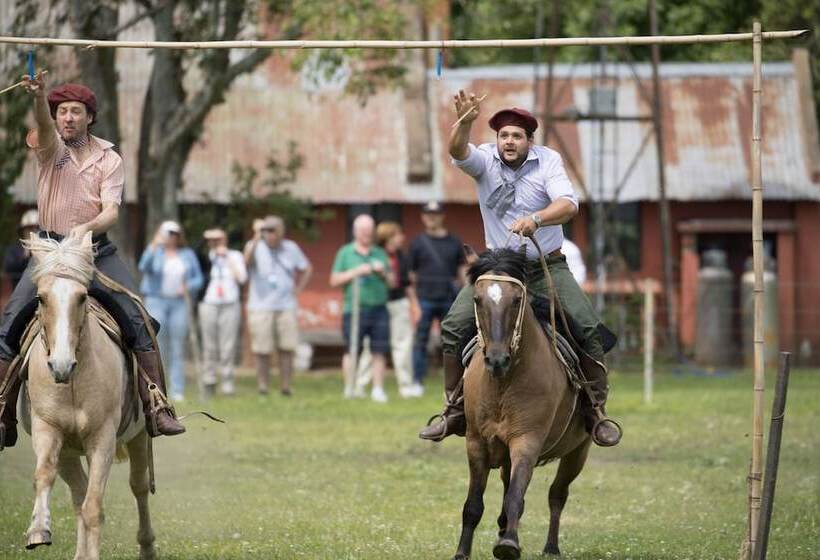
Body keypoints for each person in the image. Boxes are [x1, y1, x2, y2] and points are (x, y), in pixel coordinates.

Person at [418, 91, 621, 447]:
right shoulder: (484, 159)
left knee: (587, 325)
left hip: (546, 267)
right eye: (503, 135)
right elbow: (456, 151)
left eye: (516, 136)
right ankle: (453, 410)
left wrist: (537, 218)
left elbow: (568, 204)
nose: (509, 142)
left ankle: (595, 411)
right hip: (499, 270)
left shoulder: (548, 162)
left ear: (530, 141)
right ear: (496, 140)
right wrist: (464, 123)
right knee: (452, 326)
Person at [0, 77, 185, 451]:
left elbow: (112, 211)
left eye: (75, 112)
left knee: (140, 320)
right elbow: (44, 124)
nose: (67, 118)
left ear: (90, 117)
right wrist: (38, 99)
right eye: (61, 112)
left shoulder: (109, 158)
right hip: (51, 251)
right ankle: (2, 411)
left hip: (96, 251)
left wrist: (85, 227)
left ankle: (157, 405)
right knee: (10, 325)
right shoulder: (50, 149)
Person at [244, 215, 312, 396]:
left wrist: (298, 289)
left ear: (282, 231)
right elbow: (245, 264)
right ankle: (263, 386)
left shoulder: (291, 248)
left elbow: (306, 268)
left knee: (287, 347)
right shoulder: (254, 245)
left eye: (273, 230)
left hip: (286, 305)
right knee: (262, 349)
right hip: (260, 306)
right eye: (266, 230)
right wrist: (257, 238)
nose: (270, 234)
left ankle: (286, 386)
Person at [139, 221, 204, 402]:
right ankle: (158, 386)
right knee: (157, 345)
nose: (172, 237)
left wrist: (188, 286)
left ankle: (178, 388)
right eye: (168, 233)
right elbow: (144, 267)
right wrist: (154, 245)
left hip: (179, 303)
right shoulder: (155, 251)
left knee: (177, 346)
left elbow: (198, 278)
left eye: (175, 233)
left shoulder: (187, 254)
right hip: (157, 301)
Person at [330, 214, 392, 403]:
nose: (366, 234)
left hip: (379, 308)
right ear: (355, 232)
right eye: (363, 231)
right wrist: (356, 272)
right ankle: (350, 387)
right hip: (354, 309)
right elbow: (334, 280)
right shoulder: (345, 252)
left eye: (369, 231)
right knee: (351, 349)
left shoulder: (379, 253)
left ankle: (378, 389)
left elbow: (392, 282)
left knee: (379, 350)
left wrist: (382, 273)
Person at [408, 201, 466, 394]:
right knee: (420, 341)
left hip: (449, 298)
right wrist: (414, 303)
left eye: (435, 214)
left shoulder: (454, 242)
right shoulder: (417, 243)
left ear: (442, 216)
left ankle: (455, 382)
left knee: (452, 342)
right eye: (428, 214)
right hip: (424, 298)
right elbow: (411, 276)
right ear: (423, 217)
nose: (431, 217)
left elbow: (462, 271)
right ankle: (417, 381)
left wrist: (465, 295)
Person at [198, 228, 247, 396]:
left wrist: (226, 257)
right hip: (209, 303)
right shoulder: (204, 256)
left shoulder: (235, 256)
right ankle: (209, 381)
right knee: (209, 345)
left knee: (227, 346)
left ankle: (227, 383)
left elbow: (242, 278)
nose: (216, 242)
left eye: (219, 239)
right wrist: (208, 241)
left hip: (229, 303)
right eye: (213, 239)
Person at [376, 221, 420, 398]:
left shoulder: (403, 256)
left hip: (399, 302)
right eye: (398, 234)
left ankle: (405, 385)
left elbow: (408, 283)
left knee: (403, 343)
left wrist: (414, 304)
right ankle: (361, 385)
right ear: (388, 237)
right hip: (378, 303)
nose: (402, 238)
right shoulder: (376, 255)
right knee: (371, 346)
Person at [3, 210, 39, 290]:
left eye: (36, 228)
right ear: (22, 230)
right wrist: (26, 254)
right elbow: (9, 268)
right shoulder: (14, 249)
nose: (32, 231)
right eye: (29, 228)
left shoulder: (45, 250)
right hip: (20, 292)